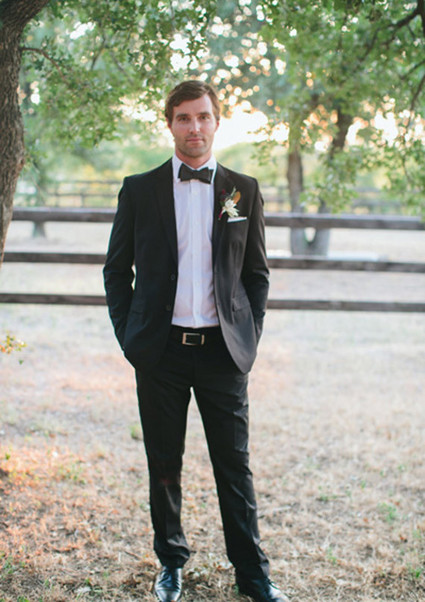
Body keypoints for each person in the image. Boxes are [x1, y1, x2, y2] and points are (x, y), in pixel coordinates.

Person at [103, 80, 288, 602]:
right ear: (170, 124)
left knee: (234, 466)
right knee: (164, 463)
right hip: (159, 352)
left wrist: (248, 334)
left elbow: (257, 274)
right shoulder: (139, 190)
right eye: (183, 117)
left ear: (216, 122)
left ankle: (253, 575)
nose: (194, 127)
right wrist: (130, 337)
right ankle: (171, 564)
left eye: (203, 116)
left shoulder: (242, 190)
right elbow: (116, 271)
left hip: (222, 354)